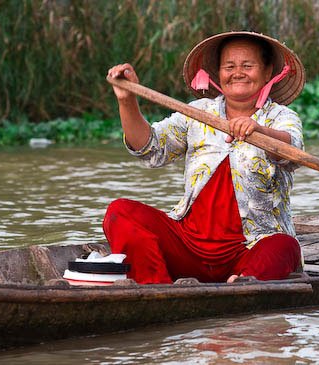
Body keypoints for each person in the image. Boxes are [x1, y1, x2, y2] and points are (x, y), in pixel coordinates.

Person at [104, 31, 305, 284]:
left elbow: (292, 153)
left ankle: (243, 285)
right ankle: (156, 289)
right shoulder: (197, 113)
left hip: (250, 248)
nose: (237, 73)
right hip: (189, 247)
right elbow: (150, 149)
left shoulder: (282, 118)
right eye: (229, 66)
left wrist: (259, 131)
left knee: (285, 246)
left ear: (267, 72)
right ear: (219, 74)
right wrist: (127, 101)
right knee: (119, 212)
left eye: (247, 66)